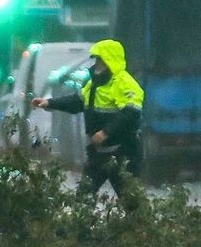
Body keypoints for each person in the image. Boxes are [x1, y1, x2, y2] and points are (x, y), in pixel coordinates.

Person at [31, 39, 145, 197]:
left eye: (101, 60)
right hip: (98, 154)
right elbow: (77, 101)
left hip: (123, 154)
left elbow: (130, 113)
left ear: (110, 62)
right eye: (96, 59)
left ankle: (137, 222)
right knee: (83, 198)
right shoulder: (93, 84)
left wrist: (105, 132)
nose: (97, 64)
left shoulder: (126, 84)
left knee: (131, 202)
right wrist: (48, 103)